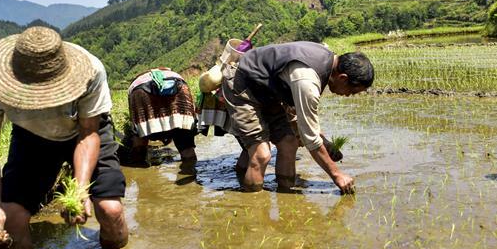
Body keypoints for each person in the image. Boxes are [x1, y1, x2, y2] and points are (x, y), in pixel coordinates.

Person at [0, 26, 128, 249]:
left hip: (83, 130)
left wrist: (80, 187)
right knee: (12, 217)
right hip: (31, 138)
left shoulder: (91, 70)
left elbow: (88, 133)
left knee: (110, 211)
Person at [220, 41, 374, 194]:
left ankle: (285, 191)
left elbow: (302, 119)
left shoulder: (327, 58)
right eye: (351, 91)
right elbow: (311, 140)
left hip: (269, 91)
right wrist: (337, 175)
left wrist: (325, 143)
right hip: (243, 84)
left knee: (289, 142)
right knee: (261, 154)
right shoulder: (307, 81)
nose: (347, 95)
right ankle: (253, 206)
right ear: (343, 78)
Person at [119, 68, 197, 169]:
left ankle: (139, 164)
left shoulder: (135, 84)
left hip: (140, 91)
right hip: (180, 87)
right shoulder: (174, 75)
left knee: (140, 134)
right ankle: (190, 168)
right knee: (186, 145)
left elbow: (134, 121)